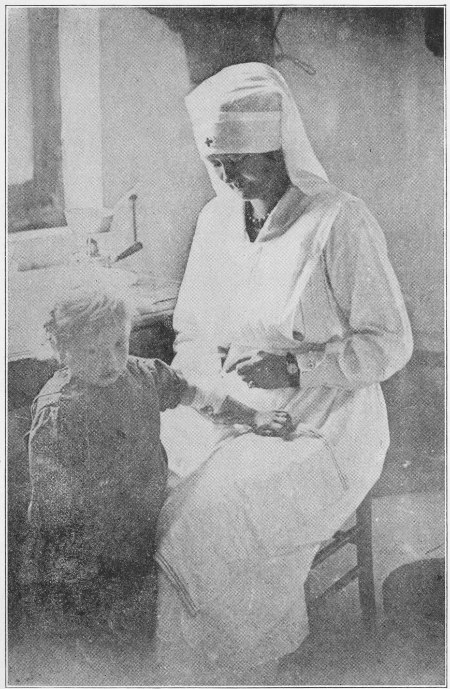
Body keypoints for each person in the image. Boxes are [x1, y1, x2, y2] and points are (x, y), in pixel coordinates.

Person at [156, 62, 413, 684]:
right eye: (218, 163)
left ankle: (239, 665)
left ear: (281, 153)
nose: (228, 178)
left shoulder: (338, 221)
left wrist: (294, 366)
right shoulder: (215, 223)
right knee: (148, 481)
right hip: (230, 405)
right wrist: (210, 391)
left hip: (327, 422)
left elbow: (390, 344)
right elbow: (190, 329)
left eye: (244, 162)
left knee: (210, 518)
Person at [20, 283, 292, 643]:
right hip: (85, 548)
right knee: (93, 636)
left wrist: (252, 416)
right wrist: (74, 565)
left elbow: (197, 395)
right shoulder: (60, 411)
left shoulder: (142, 374)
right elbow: (51, 506)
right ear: (61, 351)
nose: (112, 361)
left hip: (136, 526)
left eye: (119, 344)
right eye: (93, 351)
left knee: (140, 623)